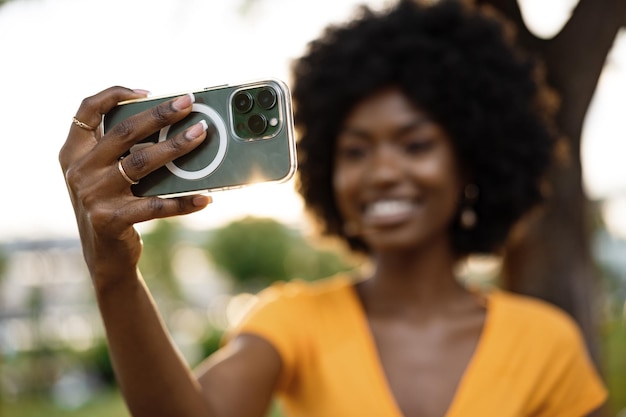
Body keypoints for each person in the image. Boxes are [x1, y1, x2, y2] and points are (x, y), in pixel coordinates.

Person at [59, 1, 607, 416]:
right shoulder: (291, 322)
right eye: (355, 150)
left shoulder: (546, 342)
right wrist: (114, 274)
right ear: (329, 172)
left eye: (415, 145)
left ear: (473, 161)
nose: (383, 171)